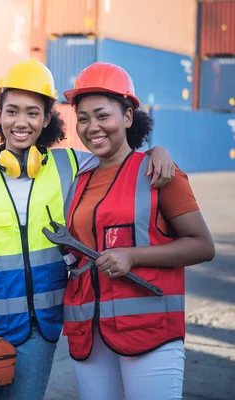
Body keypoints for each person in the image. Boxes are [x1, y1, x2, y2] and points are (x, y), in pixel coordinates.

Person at [0, 59, 176, 400]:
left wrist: (156, 150)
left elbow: (117, 153)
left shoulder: (71, 165)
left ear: (47, 118)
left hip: (41, 327)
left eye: (33, 113)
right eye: (12, 111)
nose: (21, 122)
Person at [60, 62, 215, 400]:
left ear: (128, 117)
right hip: (91, 334)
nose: (92, 127)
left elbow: (203, 245)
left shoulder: (158, 172)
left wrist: (133, 255)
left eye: (103, 116)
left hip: (150, 333)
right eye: (83, 118)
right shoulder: (78, 179)